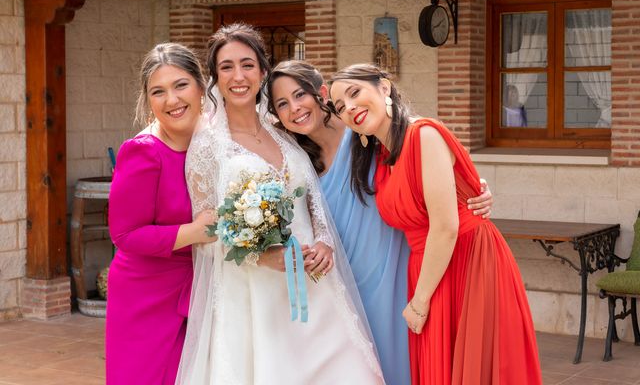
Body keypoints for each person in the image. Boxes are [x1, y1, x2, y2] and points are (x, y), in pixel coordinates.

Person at [176, 24, 384, 384]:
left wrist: (324, 242)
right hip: (254, 291)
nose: (238, 76)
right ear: (215, 77)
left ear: (262, 71)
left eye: (247, 64)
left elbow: (313, 200)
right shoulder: (207, 145)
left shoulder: (283, 130)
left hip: (315, 279)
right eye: (226, 67)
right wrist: (260, 256)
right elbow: (207, 231)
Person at [266, 60, 494, 385]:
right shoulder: (297, 163)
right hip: (345, 285)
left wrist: (474, 189)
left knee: (412, 367)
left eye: (300, 95)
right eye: (282, 104)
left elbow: (422, 161)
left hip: (400, 272)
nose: (295, 108)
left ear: (322, 93)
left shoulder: (363, 131)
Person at [330, 64, 542, 385]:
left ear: (384, 88)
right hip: (428, 269)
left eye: (355, 93)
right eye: (340, 106)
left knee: (478, 369)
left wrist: (419, 300)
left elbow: (446, 226)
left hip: (467, 261)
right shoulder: (380, 158)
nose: (349, 107)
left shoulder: (423, 134)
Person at [106, 43, 217, 385]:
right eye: (158, 91)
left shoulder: (217, 141)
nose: (172, 100)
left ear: (201, 86)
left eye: (180, 85)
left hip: (205, 284)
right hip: (147, 293)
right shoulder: (143, 152)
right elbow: (124, 235)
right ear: (148, 100)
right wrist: (194, 232)